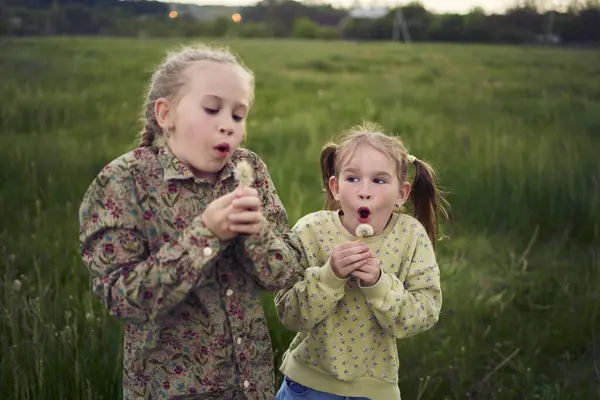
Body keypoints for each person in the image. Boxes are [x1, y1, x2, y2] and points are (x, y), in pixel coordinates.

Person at [78, 43, 303, 400]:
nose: (228, 125)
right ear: (166, 115)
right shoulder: (124, 182)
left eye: (238, 115)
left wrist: (257, 232)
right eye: (212, 109)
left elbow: (286, 274)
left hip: (250, 385)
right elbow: (122, 299)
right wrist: (206, 235)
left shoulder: (249, 170)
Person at [274, 121, 449, 400]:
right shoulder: (311, 231)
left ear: (401, 194)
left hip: (375, 391)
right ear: (335, 187)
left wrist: (379, 285)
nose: (364, 191)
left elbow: (425, 312)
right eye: (352, 178)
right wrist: (329, 276)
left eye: (379, 180)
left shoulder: (410, 236)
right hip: (307, 387)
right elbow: (289, 313)